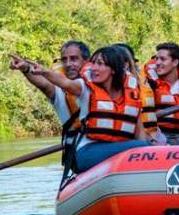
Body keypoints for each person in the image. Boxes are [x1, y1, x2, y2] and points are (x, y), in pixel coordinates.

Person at [27, 45, 149, 173]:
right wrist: (43, 71)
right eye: (94, 63)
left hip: (118, 148)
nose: (94, 68)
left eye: (100, 64)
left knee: (144, 147)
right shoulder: (85, 88)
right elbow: (66, 83)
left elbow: (140, 133)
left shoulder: (131, 94)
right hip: (87, 152)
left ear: (113, 69)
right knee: (142, 147)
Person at [10, 40, 89, 127]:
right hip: (72, 139)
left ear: (86, 61)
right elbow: (44, 85)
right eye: (64, 60)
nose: (68, 64)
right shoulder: (58, 90)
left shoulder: (100, 85)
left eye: (74, 59)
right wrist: (25, 68)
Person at [140, 42, 179, 145]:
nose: (157, 62)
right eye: (157, 58)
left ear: (175, 62)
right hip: (159, 133)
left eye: (162, 59)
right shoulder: (149, 83)